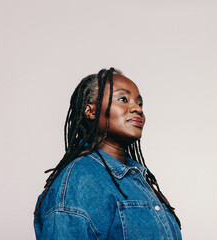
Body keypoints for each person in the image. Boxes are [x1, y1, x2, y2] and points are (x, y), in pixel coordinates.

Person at [34, 68, 182, 239]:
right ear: (91, 111)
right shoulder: (79, 182)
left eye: (140, 103)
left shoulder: (137, 180)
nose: (137, 109)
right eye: (123, 99)